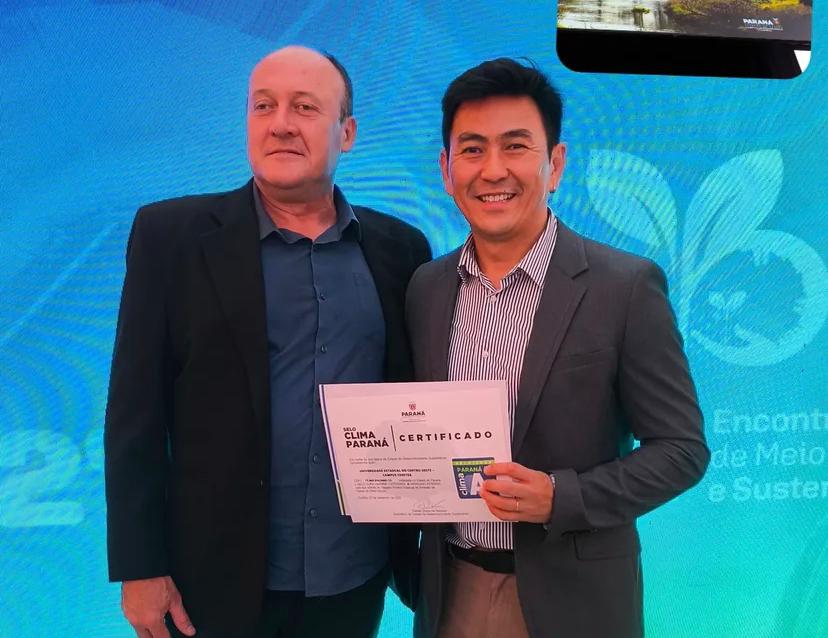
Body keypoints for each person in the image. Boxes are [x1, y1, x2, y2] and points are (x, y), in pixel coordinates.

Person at [104, 45, 430, 638]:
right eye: (263, 106)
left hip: (352, 578)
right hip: (208, 584)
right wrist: (139, 566)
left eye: (305, 107)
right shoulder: (170, 237)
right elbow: (134, 416)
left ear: (347, 133)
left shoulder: (400, 249)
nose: (280, 123)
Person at [405, 58, 709, 638]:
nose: (493, 170)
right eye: (472, 150)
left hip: (574, 600)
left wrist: (559, 496)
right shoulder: (426, 288)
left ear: (556, 164)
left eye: (515, 146)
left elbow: (682, 450)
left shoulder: (625, 286)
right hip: (450, 594)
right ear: (446, 170)